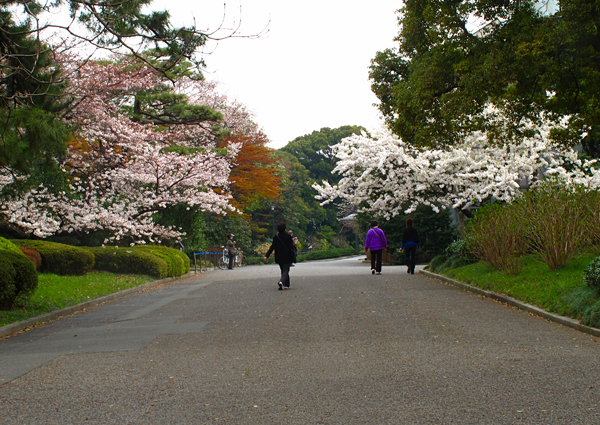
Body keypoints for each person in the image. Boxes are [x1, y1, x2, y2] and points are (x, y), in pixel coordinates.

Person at [264, 222, 296, 290]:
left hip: (279, 256)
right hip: (287, 256)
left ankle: (286, 285)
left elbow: (272, 247)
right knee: (286, 270)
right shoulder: (288, 237)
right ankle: (281, 282)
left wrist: (267, 255)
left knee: (283, 270)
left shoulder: (276, 237)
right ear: (285, 228)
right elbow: (291, 247)